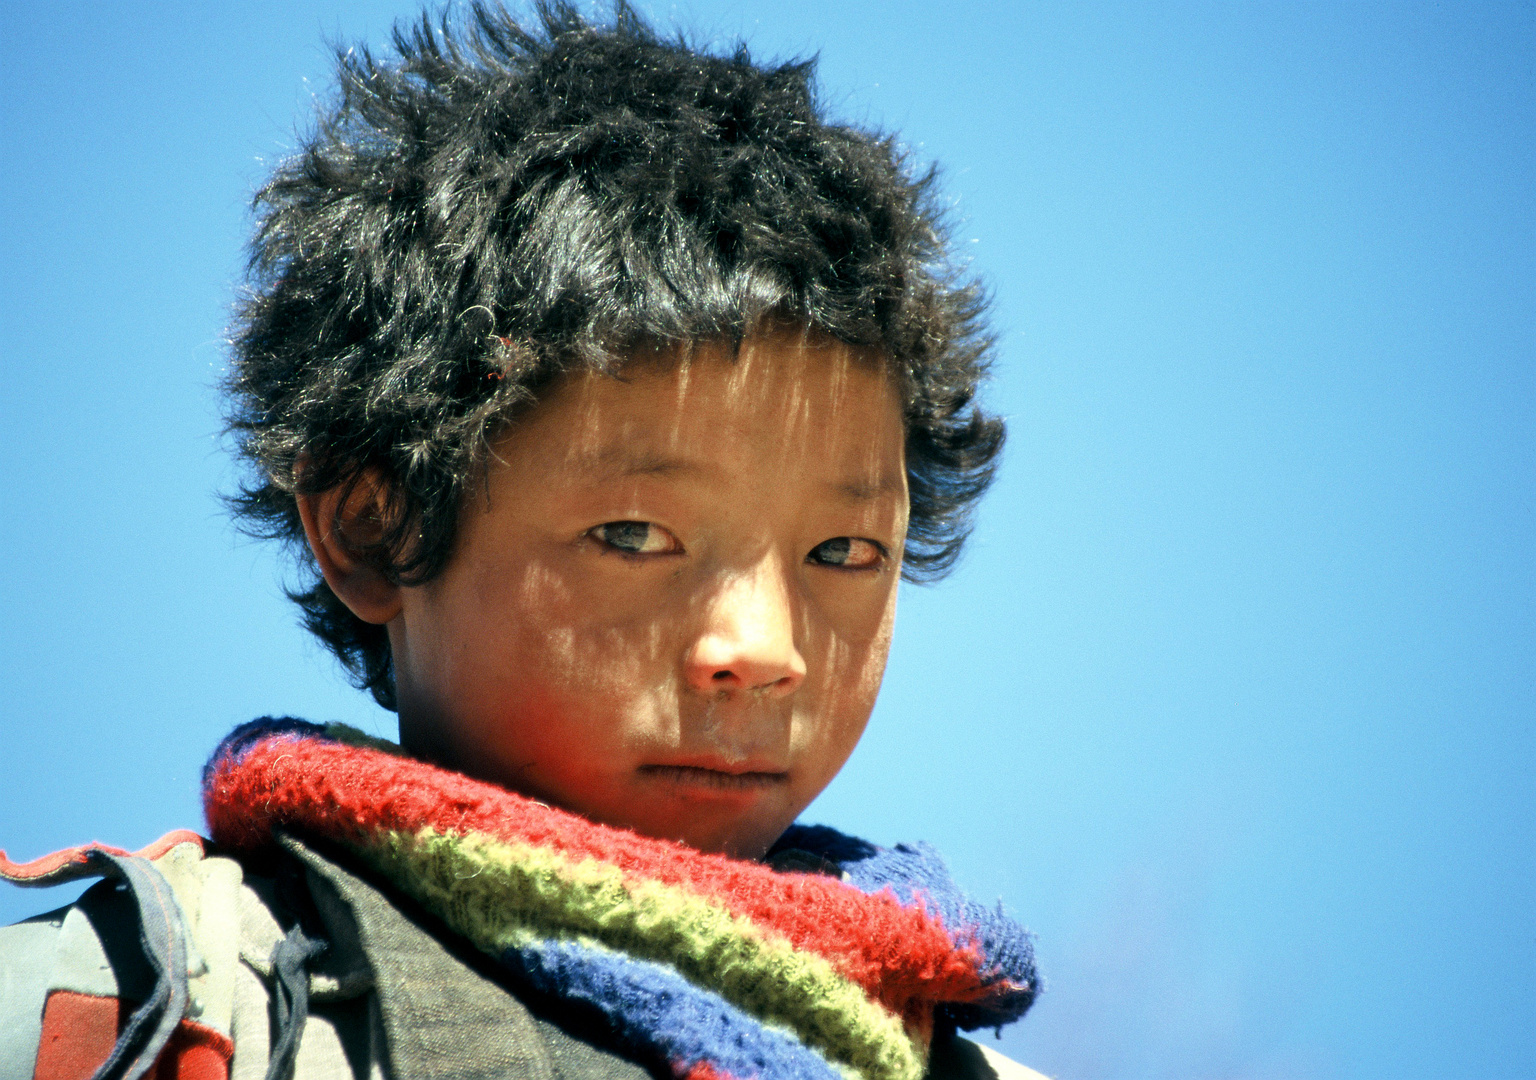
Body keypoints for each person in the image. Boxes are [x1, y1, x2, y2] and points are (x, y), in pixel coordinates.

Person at [0, 3, 1044, 1077]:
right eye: (635, 535)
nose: (764, 648)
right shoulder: (141, 1013)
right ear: (374, 528)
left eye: (842, 552)